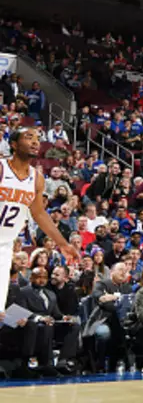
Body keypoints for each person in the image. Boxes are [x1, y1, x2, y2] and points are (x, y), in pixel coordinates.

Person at [0, 127, 79, 315]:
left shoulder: (36, 178)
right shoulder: (2, 168)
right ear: (13, 144)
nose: (36, 142)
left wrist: (63, 244)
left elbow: (39, 214)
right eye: (29, 138)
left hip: (4, 247)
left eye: (37, 138)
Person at [18, 267, 80, 373]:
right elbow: (22, 311)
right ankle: (46, 363)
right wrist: (40, 318)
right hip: (34, 324)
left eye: (44, 278)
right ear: (31, 278)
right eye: (38, 277)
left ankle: (63, 360)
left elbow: (56, 313)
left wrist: (64, 317)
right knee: (47, 326)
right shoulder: (23, 292)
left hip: (50, 322)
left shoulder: (50, 294)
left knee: (74, 325)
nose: (42, 280)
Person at [83, 262, 132, 372]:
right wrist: (118, 300)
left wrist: (112, 297)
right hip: (102, 320)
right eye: (120, 269)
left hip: (123, 320)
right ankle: (99, 364)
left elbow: (129, 304)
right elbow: (100, 299)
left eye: (125, 270)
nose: (123, 272)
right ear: (111, 271)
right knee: (104, 333)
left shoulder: (127, 287)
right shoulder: (102, 284)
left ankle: (131, 363)